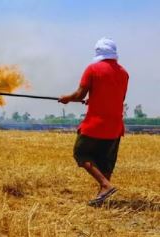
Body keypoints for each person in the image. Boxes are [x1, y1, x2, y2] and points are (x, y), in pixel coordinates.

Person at [58, 37, 129, 206]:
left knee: (81, 153)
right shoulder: (124, 73)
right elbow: (118, 98)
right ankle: (101, 197)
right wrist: (95, 99)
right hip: (115, 127)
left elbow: (80, 95)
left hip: (95, 125)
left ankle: (105, 185)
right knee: (105, 161)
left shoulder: (93, 69)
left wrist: (67, 98)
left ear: (98, 53)